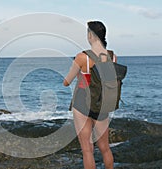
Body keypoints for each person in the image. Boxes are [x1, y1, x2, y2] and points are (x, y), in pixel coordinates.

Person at [63, 21, 116, 169]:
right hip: (102, 104)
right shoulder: (112, 57)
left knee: (87, 149)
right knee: (105, 148)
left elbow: (66, 82)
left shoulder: (82, 57)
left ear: (91, 36)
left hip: (82, 103)